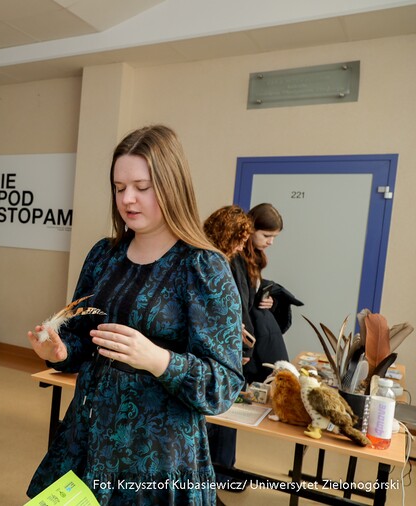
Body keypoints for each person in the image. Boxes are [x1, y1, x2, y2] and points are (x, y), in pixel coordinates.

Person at [26, 125, 244, 505]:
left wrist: (158, 360)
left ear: (172, 186)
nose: (127, 199)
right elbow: (82, 338)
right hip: (88, 442)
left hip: (157, 459)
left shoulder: (202, 267)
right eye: (119, 187)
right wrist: (60, 351)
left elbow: (223, 385)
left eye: (142, 188)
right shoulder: (104, 255)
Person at [203, 205, 255, 490]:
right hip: (208, 352)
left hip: (222, 345)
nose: (242, 247)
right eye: (240, 240)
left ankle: (219, 475)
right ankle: (212, 478)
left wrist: (236, 330)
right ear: (226, 234)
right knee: (211, 419)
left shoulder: (223, 260)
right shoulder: (206, 261)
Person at [236, 203, 292, 384]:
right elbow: (240, 303)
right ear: (250, 229)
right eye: (266, 236)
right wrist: (245, 348)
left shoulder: (256, 255)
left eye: (274, 237)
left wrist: (271, 301)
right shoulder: (237, 257)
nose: (270, 242)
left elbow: (252, 293)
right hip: (247, 338)